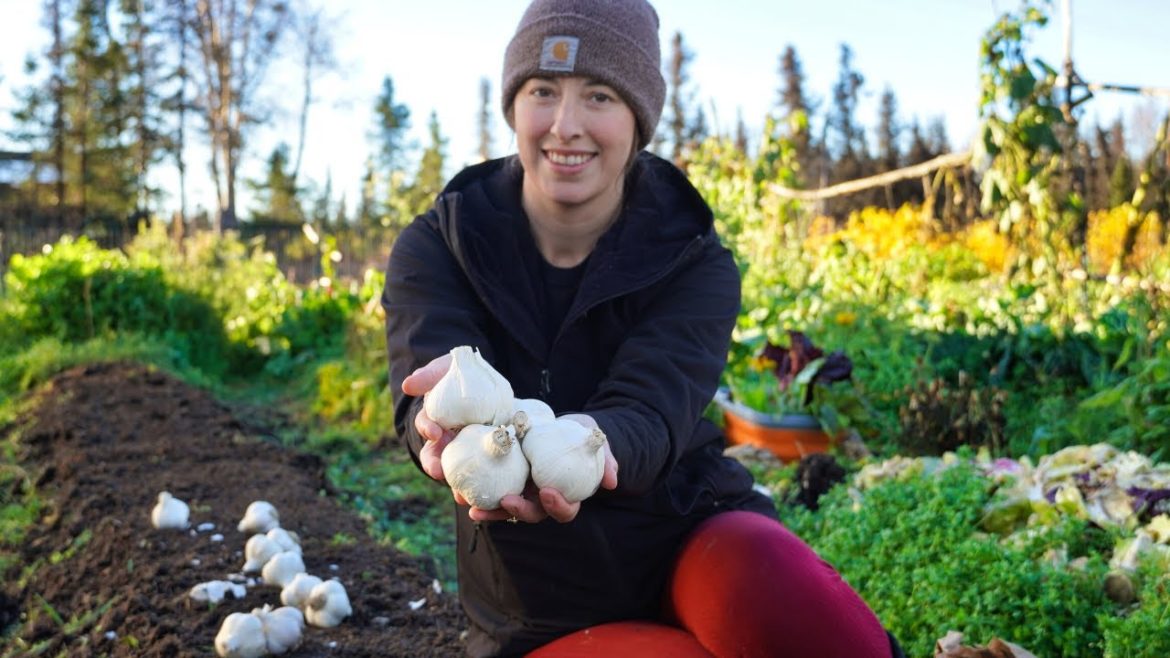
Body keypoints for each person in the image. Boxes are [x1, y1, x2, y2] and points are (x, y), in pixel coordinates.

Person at [383, 1, 905, 656]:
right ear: (513, 104)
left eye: (599, 96)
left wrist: (592, 443)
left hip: (689, 528)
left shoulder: (693, 257)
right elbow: (432, 383)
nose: (565, 126)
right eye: (543, 90)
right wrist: (434, 419)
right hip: (540, 596)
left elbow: (651, 409)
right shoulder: (440, 247)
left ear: (639, 118)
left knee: (797, 604)